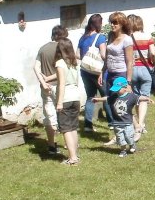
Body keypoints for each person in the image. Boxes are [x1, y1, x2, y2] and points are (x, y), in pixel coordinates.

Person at [33, 24, 67, 155]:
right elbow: (63, 70)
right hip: (59, 85)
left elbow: (35, 67)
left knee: (49, 116)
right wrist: (49, 79)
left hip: (45, 88)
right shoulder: (61, 48)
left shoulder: (43, 48)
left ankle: (51, 145)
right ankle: (67, 142)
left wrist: (43, 81)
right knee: (63, 114)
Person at [101, 76, 152, 157]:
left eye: (118, 89)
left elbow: (139, 97)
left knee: (128, 137)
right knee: (120, 138)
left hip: (127, 122)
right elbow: (107, 98)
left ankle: (132, 145)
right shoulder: (114, 97)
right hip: (117, 123)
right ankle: (123, 151)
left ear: (125, 88)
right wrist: (98, 100)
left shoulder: (130, 96)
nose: (116, 91)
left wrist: (147, 99)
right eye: (116, 89)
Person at [77, 14, 108, 133]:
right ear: (98, 24)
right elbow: (104, 55)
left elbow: (78, 55)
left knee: (90, 97)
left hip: (85, 71)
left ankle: (87, 125)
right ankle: (111, 122)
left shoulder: (83, 38)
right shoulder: (100, 37)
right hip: (98, 72)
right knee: (106, 96)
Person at [127, 13, 155, 140]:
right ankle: (141, 123)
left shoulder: (127, 38)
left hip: (132, 70)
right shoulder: (147, 36)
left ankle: (136, 125)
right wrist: (152, 63)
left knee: (136, 97)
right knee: (144, 98)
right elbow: (153, 53)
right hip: (145, 69)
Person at [54, 37, 82, 166]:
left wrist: (59, 102)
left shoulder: (60, 63)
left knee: (66, 129)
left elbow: (61, 84)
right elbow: (76, 81)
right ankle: (75, 154)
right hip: (75, 97)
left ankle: (72, 158)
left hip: (65, 98)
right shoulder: (74, 62)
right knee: (73, 127)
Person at [104, 11, 134, 101]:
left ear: (122, 24)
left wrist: (128, 82)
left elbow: (129, 62)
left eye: (115, 23)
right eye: (111, 23)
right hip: (109, 73)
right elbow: (107, 55)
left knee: (120, 101)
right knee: (110, 100)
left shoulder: (127, 40)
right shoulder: (110, 35)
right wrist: (103, 71)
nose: (112, 25)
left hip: (120, 74)